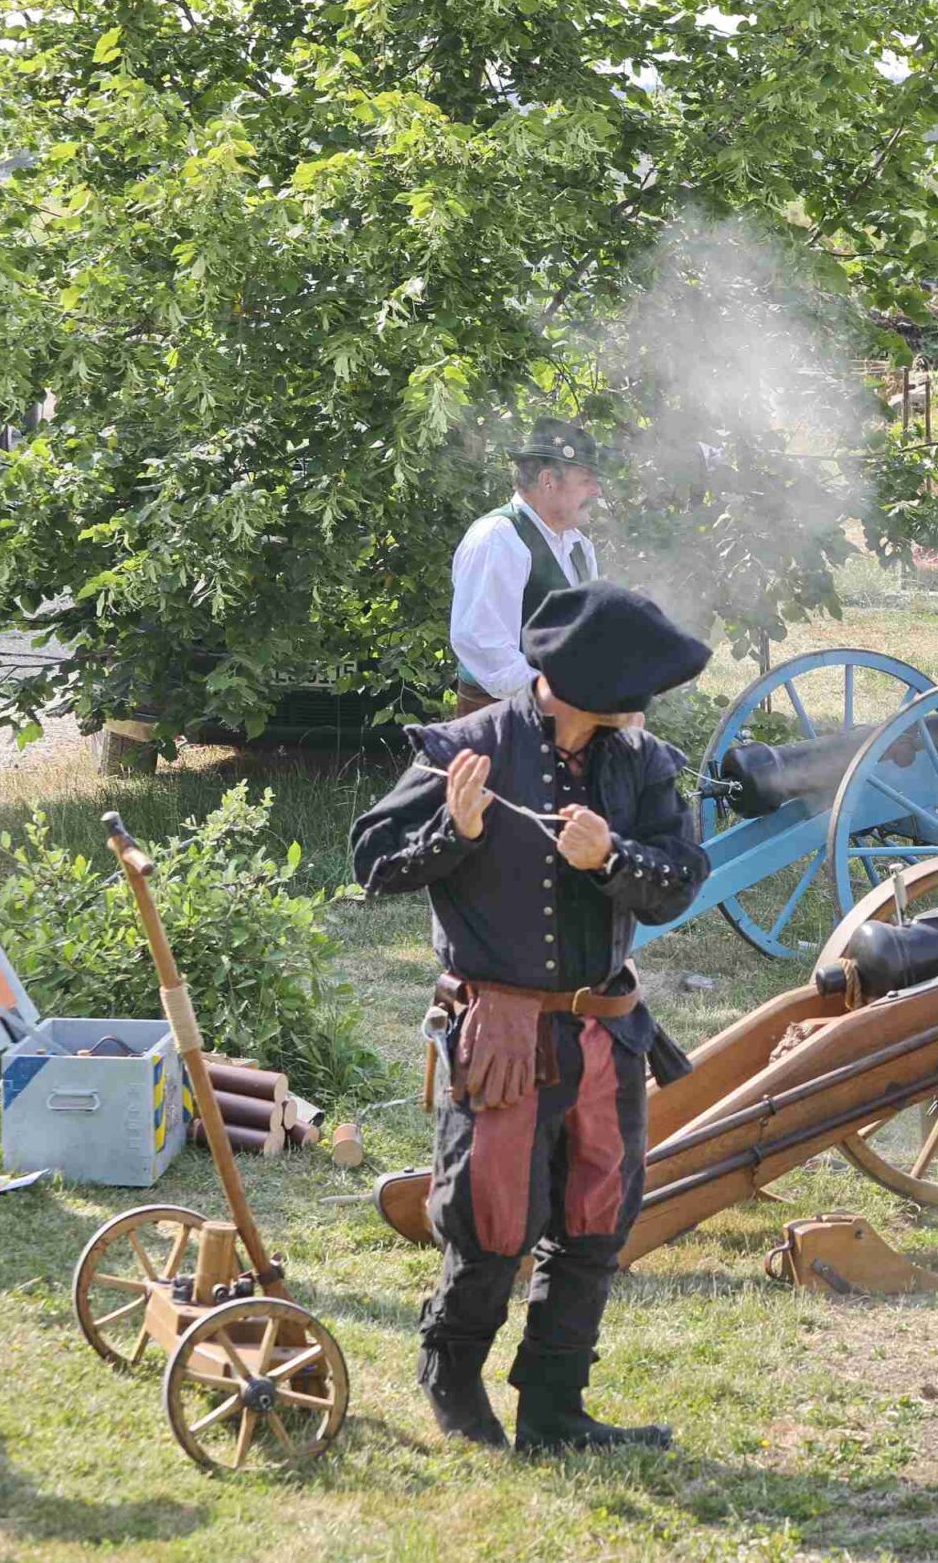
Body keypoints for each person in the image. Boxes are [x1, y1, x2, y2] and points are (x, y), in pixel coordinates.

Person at [352, 580, 712, 1455]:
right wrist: (456, 831)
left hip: (606, 1031)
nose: (645, 703)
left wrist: (611, 856)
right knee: (493, 1220)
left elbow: (680, 878)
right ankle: (450, 1375)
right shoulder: (466, 748)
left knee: (596, 1220)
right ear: (588, 681)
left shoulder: (641, 762)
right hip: (501, 1032)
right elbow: (373, 863)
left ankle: (554, 1408)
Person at [451, 426, 603, 718]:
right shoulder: (498, 538)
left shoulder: (579, 547)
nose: (597, 491)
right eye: (586, 481)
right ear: (548, 481)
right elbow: (486, 649)